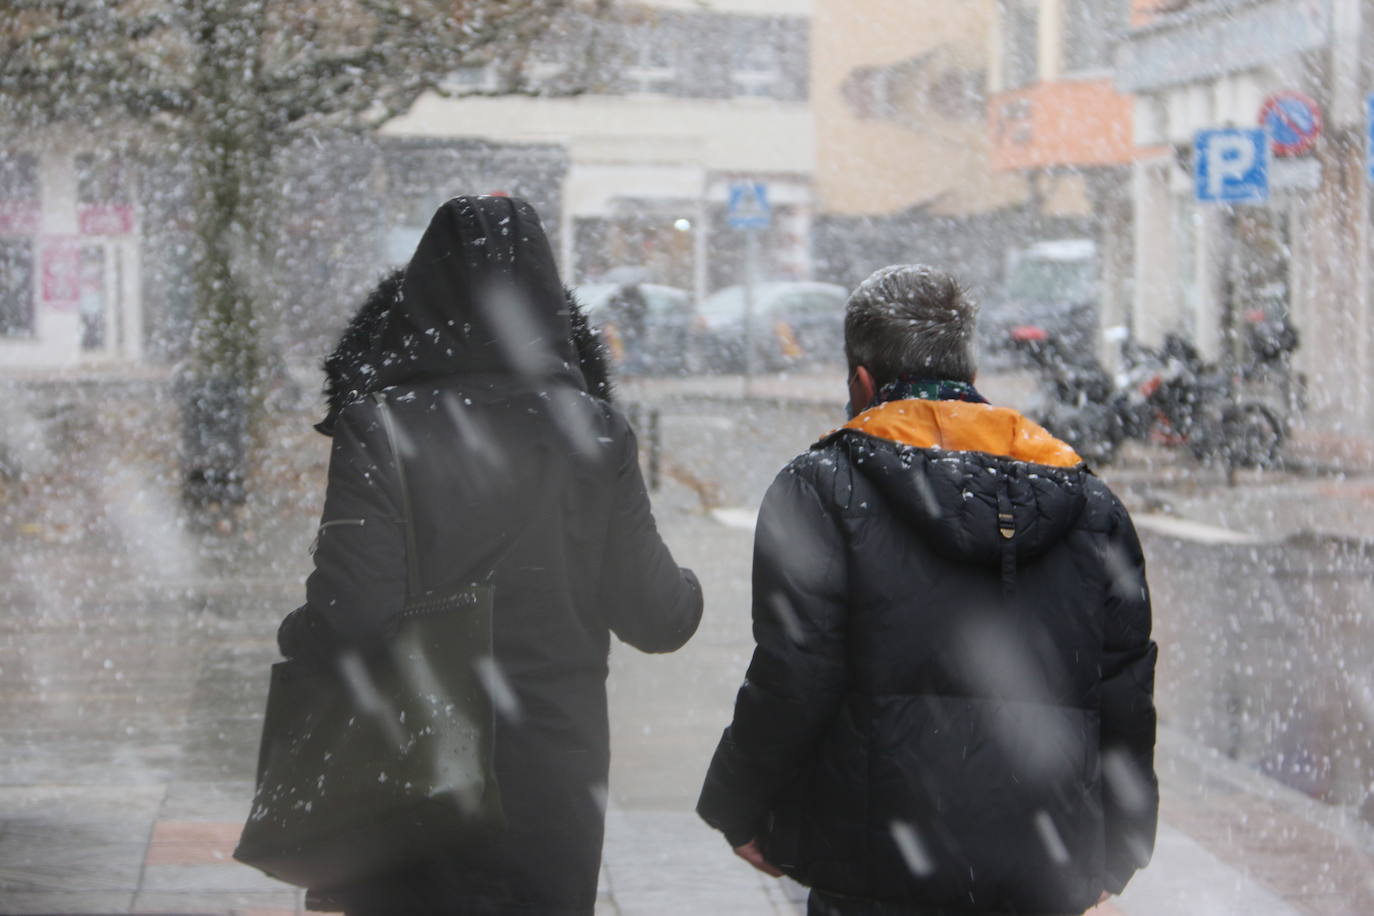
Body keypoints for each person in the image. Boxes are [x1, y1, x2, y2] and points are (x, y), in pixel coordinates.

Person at [277, 196, 703, 914]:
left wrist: (298, 635)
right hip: (551, 774)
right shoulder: (593, 431)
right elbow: (659, 617)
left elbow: (353, 617)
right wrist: (691, 586)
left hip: (407, 764)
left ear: (422, 292)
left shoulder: (380, 428)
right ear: (546, 296)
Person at [696, 265, 1157, 916]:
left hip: (875, 863)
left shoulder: (821, 491)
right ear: (970, 373)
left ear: (861, 381)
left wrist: (740, 804)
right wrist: (1121, 846)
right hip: (1045, 866)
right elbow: (1125, 688)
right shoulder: (1088, 502)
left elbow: (794, 674)